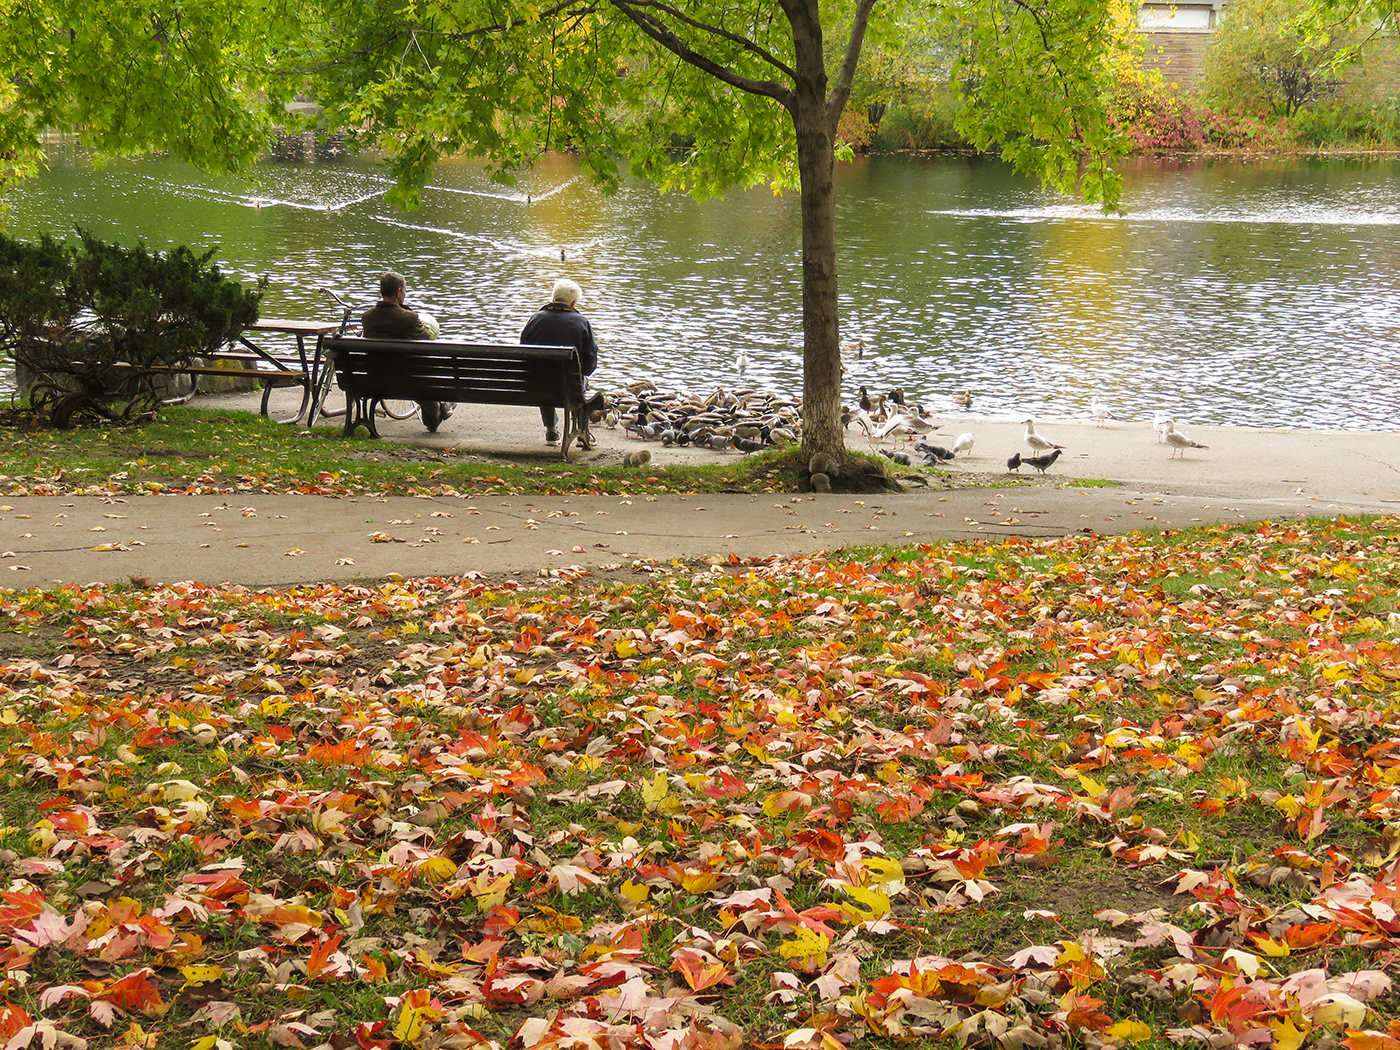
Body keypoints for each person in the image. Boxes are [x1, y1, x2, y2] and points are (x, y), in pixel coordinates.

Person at [360, 272, 454, 433]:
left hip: (374, 381)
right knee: (422, 381)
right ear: (398, 292)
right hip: (409, 383)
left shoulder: (367, 317)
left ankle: (440, 409)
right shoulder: (408, 318)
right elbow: (427, 339)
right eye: (404, 291)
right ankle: (440, 411)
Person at [520, 278, 604, 444]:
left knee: (543, 375)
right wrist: (582, 373)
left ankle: (551, 430)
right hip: (570, 388)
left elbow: (524, 353)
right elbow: (589, 364)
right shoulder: (582, 322)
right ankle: (581, 433)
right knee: (579, 381)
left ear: (553, 299)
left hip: (537, 386)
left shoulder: (534, 320)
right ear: (573, 303)